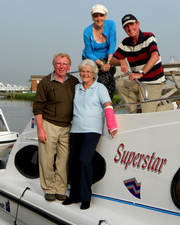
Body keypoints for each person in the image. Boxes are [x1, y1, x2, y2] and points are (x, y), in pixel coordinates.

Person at [62, 59, 117, 210]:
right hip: (75, 130)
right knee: (72, 162)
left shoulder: (100, 88)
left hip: (92, 130)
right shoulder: (76, 88)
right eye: (83, 71)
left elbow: (107, 104)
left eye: (88, 72)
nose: (85, 74)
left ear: (93, 74)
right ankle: (73, 195)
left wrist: (111, 124)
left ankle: (86, 197)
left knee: (84, 161)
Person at [110, 14, 180, 113]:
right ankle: (136, 109)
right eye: (126, 26)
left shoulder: (149, 37)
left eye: (132, 24)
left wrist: (141, 73)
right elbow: (112, 61)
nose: (130, 28)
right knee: (120, 84)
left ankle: (174, 105)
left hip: (153, 82)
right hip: (138, 82)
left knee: (148, 115)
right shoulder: (125, 43)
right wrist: (121, 61)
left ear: (138, 24)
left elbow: (155, 56)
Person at [33, 53, 79, 201]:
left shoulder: (73, 81)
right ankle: (48, 189)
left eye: (65, 64)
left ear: (69, 67)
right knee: (46, 160)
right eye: (59, 64)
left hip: (67, 127)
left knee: (63, 160)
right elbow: (38, 108)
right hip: (49, 125)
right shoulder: (45, 82)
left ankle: (60, 189)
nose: (61, 67)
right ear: (54, 65)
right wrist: (40, 129)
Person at [82, 4, 117, 100]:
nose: (98, 18)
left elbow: (112, 45)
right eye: (96, 16)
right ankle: (95, 101)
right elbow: (89, 53)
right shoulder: (87, 31)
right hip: (91, 57)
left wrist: (108, 63)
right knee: (102, 79)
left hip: (106, 57)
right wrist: (102, 64)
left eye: (101, 15)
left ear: (105, 16)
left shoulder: (111, 24)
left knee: (110, 79)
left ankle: (108, 103)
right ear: (93, 17)